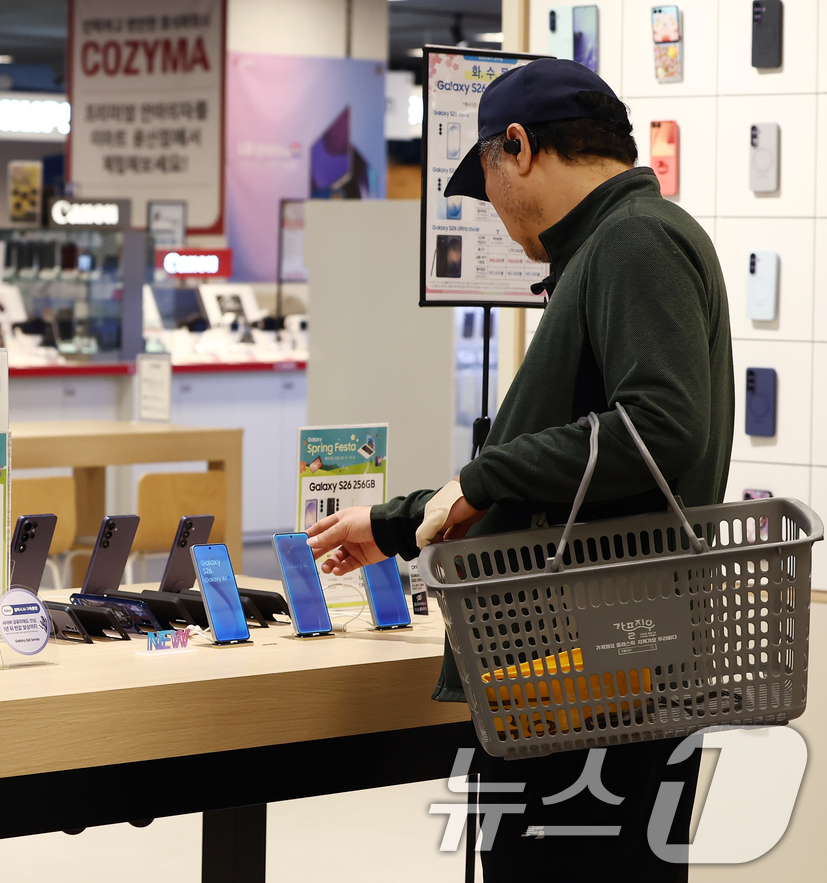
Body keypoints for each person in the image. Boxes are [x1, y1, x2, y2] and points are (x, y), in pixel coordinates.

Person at [306, 58, 731, 882]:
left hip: (599, 680)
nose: (492, 209)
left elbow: (661, 429)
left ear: (519, 147)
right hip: (589, 672)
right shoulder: (609, 247)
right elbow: (555, 468)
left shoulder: (636, 239)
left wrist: (483, 480)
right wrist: (397, 522)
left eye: (487, 179)